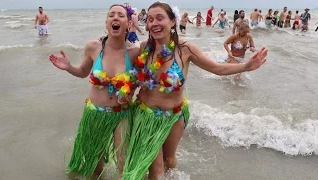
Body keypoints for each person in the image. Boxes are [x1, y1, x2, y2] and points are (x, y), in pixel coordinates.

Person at [122, 2, 268, 180]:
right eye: (150, 19)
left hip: (175, 116)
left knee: (169, 159)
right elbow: (128, 71)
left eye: (160, 18)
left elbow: (217, 68)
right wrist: (126, 92)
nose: (154, 23)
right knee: (156, 168)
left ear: (173, 22)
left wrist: (245, 66)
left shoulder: (185, 49)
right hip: (146, 116)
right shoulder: (144, 48)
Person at [49, 4, 139, 179]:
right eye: (111, 15)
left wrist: (130, 92)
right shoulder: (93, 47)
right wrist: (68, 67)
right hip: (95, 114)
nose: (115, 17)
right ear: (106, 23)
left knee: (124, 163)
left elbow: (140, 79)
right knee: (95, 168)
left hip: (122, 114)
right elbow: (83, 72)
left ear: (128, 24)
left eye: (120, 15)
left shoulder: (135, 52)